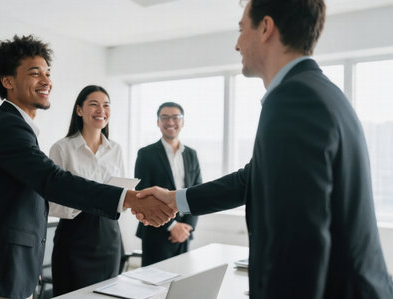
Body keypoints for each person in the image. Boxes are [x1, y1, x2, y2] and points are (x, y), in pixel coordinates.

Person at [137, 0, 393, 298]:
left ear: (266, 28)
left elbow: (298, 242)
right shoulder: (320, 91)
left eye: (241, 29)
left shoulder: (293, 100)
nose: (236, 44)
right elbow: (252, 177)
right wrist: (174, 198)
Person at [0, 35, 175, 299]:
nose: (46, 81)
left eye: (47, 73)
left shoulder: (17, 126)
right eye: (35, 74)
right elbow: (53, 181)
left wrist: (30, 260)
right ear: (7, 81)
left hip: (10, 266)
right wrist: (130, 198)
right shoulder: (7, 127)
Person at [47, 85, 127, 296]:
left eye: (106, 105)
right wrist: (90, 201)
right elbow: (51, 203)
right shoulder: (62, 148)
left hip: (109, 238)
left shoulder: (115, 149)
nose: (101, 110)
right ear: (79, 110)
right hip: (74, 238)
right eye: (94, 104)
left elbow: (121, 196)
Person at [135, 102, 202, 266]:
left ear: (183, 122)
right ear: (158, 122)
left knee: (181, 282)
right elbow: (141, 194)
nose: (170, 122)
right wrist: (173, 226)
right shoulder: (146, 154)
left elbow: (198, 193)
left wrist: (187, 227)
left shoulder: (191, 154)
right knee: (154, 286)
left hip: (184, 234)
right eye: (164, 117)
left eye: (175, 117)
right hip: (155, 232)